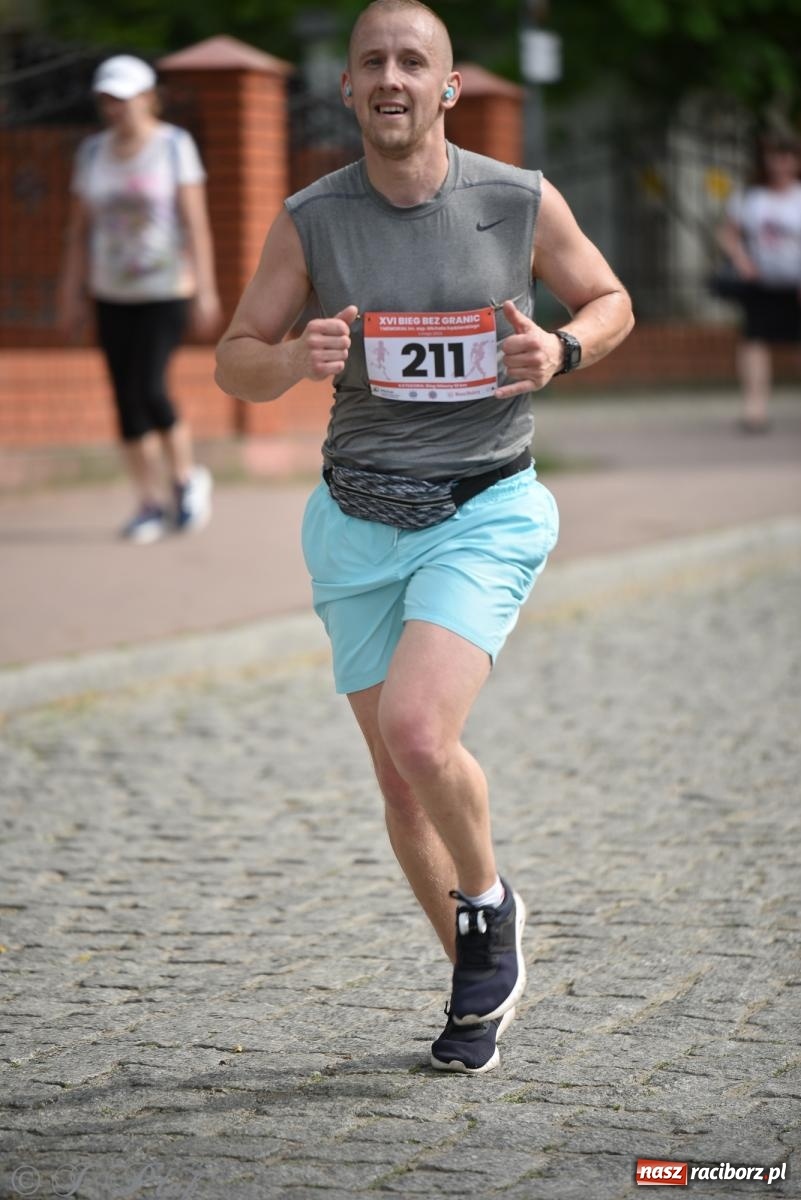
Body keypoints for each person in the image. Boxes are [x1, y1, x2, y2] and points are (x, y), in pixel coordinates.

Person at [216, 0, 634, 1074]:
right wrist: (293, 357)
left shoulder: (517, 199)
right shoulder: (314, 218)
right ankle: (473, 985)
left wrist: (566, 350)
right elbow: (236, 357)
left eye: (414, 61)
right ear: (349, 89)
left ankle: (490, 902)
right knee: (401, 786)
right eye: (371, 63)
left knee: (416, 731)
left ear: (448, 87)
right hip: (356, 517)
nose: (391, 77)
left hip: (486, 505)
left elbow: (609, 298)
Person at [58, 54, 221, 542]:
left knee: (150, 386)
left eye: (123, 100)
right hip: (111, 291)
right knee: (124, 397)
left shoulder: (174, 146)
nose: (115, 110)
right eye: (107, 100)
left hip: (165, 288)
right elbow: (77, 231)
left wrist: (207, 289)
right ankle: (149, 503)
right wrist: (71, 291)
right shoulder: (91, 153)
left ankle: (185, 478)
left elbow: (196, 224)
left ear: (148, 98)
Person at [716, 130, 801, 433]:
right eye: (775, 156)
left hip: (795, 283)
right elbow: (729, 234)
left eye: (788, 155)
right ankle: (755, 407)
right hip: (761, 281)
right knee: (755, 341)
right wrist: (742, 260)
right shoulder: (751, 197)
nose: (781, 163)